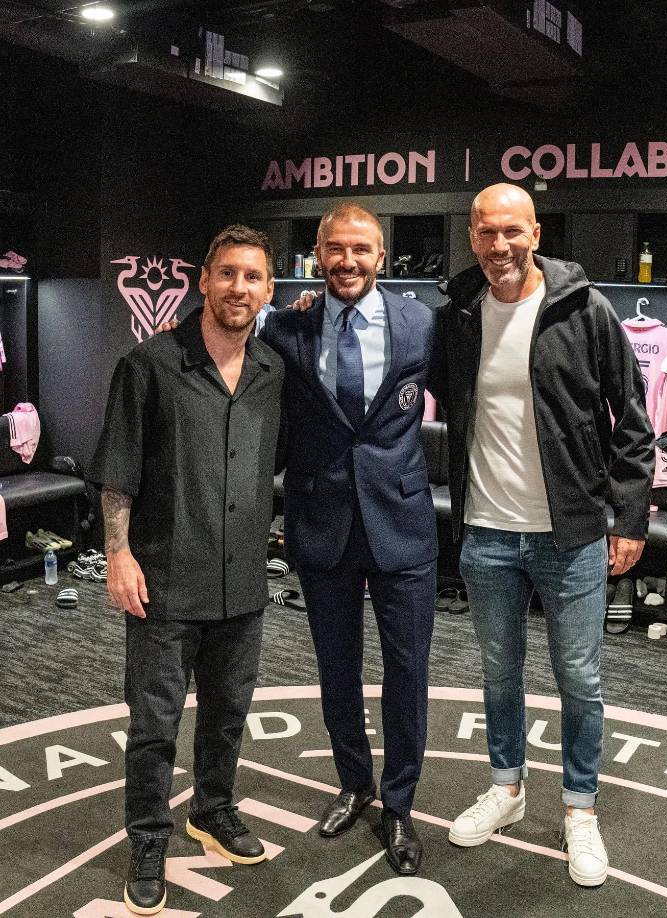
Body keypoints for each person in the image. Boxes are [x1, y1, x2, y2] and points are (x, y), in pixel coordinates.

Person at [430, 183, 654, 887]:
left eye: (512, 231)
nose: (500, 246)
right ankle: (505, 787)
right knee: (498, 674)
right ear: (471, 237)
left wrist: (628, 517)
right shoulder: (459, 314)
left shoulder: (583, 309)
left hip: (573, 535)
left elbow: (634, 420)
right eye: (486, 233)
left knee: (579, 679)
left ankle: (578, 807)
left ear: (534, 231)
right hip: (487, 533)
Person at [89, 225, 284, 915]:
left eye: (252, 277)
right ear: (203, 280)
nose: (239, 288)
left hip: (242, 584)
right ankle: (147, 837)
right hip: (166, 582)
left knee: (228, 715)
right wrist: (118, 553)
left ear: (267, 288)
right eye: (227, 273)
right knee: (154, 725)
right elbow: (116, 474)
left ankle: (214, 809)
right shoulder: (148, 365)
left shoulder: (270, 370)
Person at [260, 203, 437, 876]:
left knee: (408, 673)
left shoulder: (423, 321)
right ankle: (354, 782)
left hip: (402, 524)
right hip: (320, 522)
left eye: (360, 249)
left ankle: (398, 804)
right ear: (316, 253)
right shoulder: (287, 327)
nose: (347, 261)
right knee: (337, 671)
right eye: (335, 249)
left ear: (381, 255)